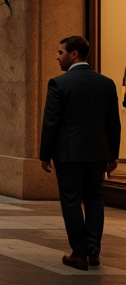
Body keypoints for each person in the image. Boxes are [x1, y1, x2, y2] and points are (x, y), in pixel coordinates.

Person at [39, 35, 121, 270]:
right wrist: (112, 154)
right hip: (97, 153)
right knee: (94, 199)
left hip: (69, 154)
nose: (57, 57)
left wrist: (45, 154)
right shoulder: (106, 83)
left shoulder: (59, 84)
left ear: (74, 54)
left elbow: (51, 122)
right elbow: (113, 123)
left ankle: (79, 253)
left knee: (72, 201)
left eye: (60, 52)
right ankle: (93, 251)